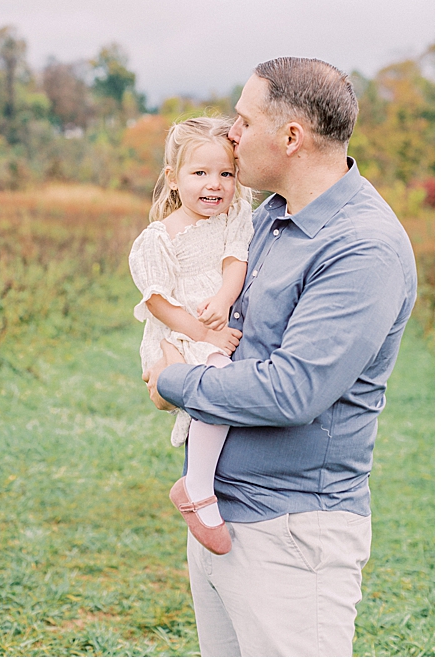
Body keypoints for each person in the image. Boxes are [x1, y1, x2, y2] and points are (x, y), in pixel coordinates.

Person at [142, 57, 417, 657]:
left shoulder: (361, 247)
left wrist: (177, 381)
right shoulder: (266, 215)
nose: (231, 135)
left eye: (242, 121)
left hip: (292, 533)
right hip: (223, 511)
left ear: (290, 137)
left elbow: (293, 390)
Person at [129, 116, 253, 556]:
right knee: (215, 382)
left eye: (226, 173)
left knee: (222, 387)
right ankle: (196, 488)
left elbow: (235, 261)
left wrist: (222, 299)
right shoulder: (159, 238)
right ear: (174, 179)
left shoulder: (236, 216)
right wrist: (202, 331)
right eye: (199, 173)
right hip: (178, 332)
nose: (214, 185)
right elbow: (158, 302)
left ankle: (204, 481)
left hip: (214, 322)